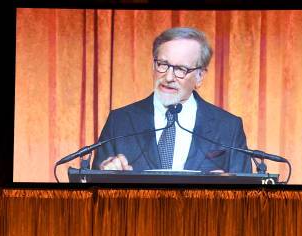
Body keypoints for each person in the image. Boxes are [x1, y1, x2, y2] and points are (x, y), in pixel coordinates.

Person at [92, 27, 252, 174]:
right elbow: (94, 195)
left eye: (181, 69)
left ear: (200, 76)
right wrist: (105, 176)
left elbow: (246, 197)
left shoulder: (228, 127)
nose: (168, 77)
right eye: (162, 65)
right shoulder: (120, 122)